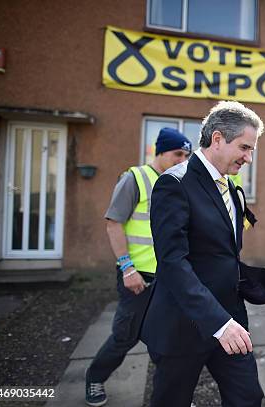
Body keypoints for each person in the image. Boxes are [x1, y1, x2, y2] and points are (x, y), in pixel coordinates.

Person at [141, 101, 265, 407]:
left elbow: (221, 251)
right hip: (183, 325)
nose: (249, 158)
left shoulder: (231, 186)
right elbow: (172, 262)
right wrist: (218, 322)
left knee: (248, 398)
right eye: (244, 147)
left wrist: (248, 280)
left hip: (231, 317)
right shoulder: (173, 184)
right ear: (217, 139)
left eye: (252, 149)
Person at [85, 128, 191, 407]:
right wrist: (127, 268)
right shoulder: (135, 179)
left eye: (187, 155)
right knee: (125, 336)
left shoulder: (180, 182)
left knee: (169, 339)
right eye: (177, 153)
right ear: (160, 151)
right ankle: (94, 377)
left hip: (170, 278)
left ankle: (172, 397)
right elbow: (113, 223)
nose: (182, 159)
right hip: (138, 277)